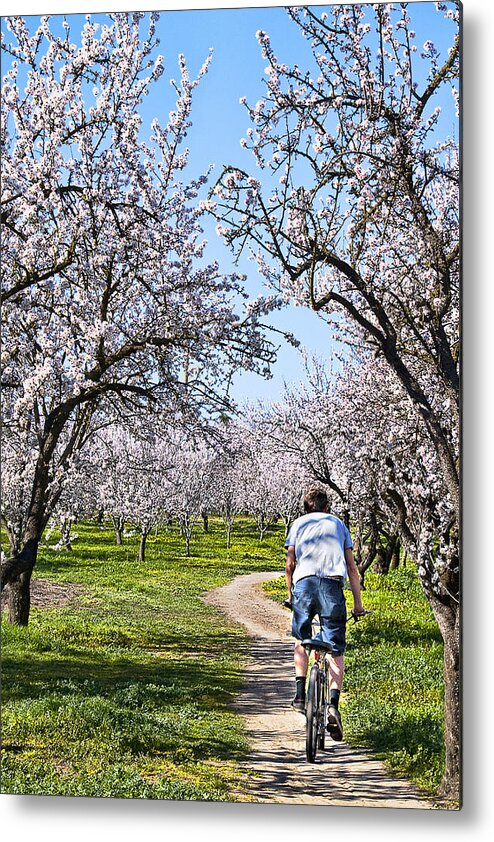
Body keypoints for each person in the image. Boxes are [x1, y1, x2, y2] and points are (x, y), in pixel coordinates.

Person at [285, 486, 365, 741]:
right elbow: (352, 568)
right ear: (327, 507)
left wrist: (291, 595)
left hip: (304, 586)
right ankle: (332, 704)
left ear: (306, 508)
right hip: (331, 587)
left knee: (301, 639)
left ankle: (300, 693)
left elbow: (290, 564)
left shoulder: (298, 524)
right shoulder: (339, 525)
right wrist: (358, 605)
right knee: (335, 650)